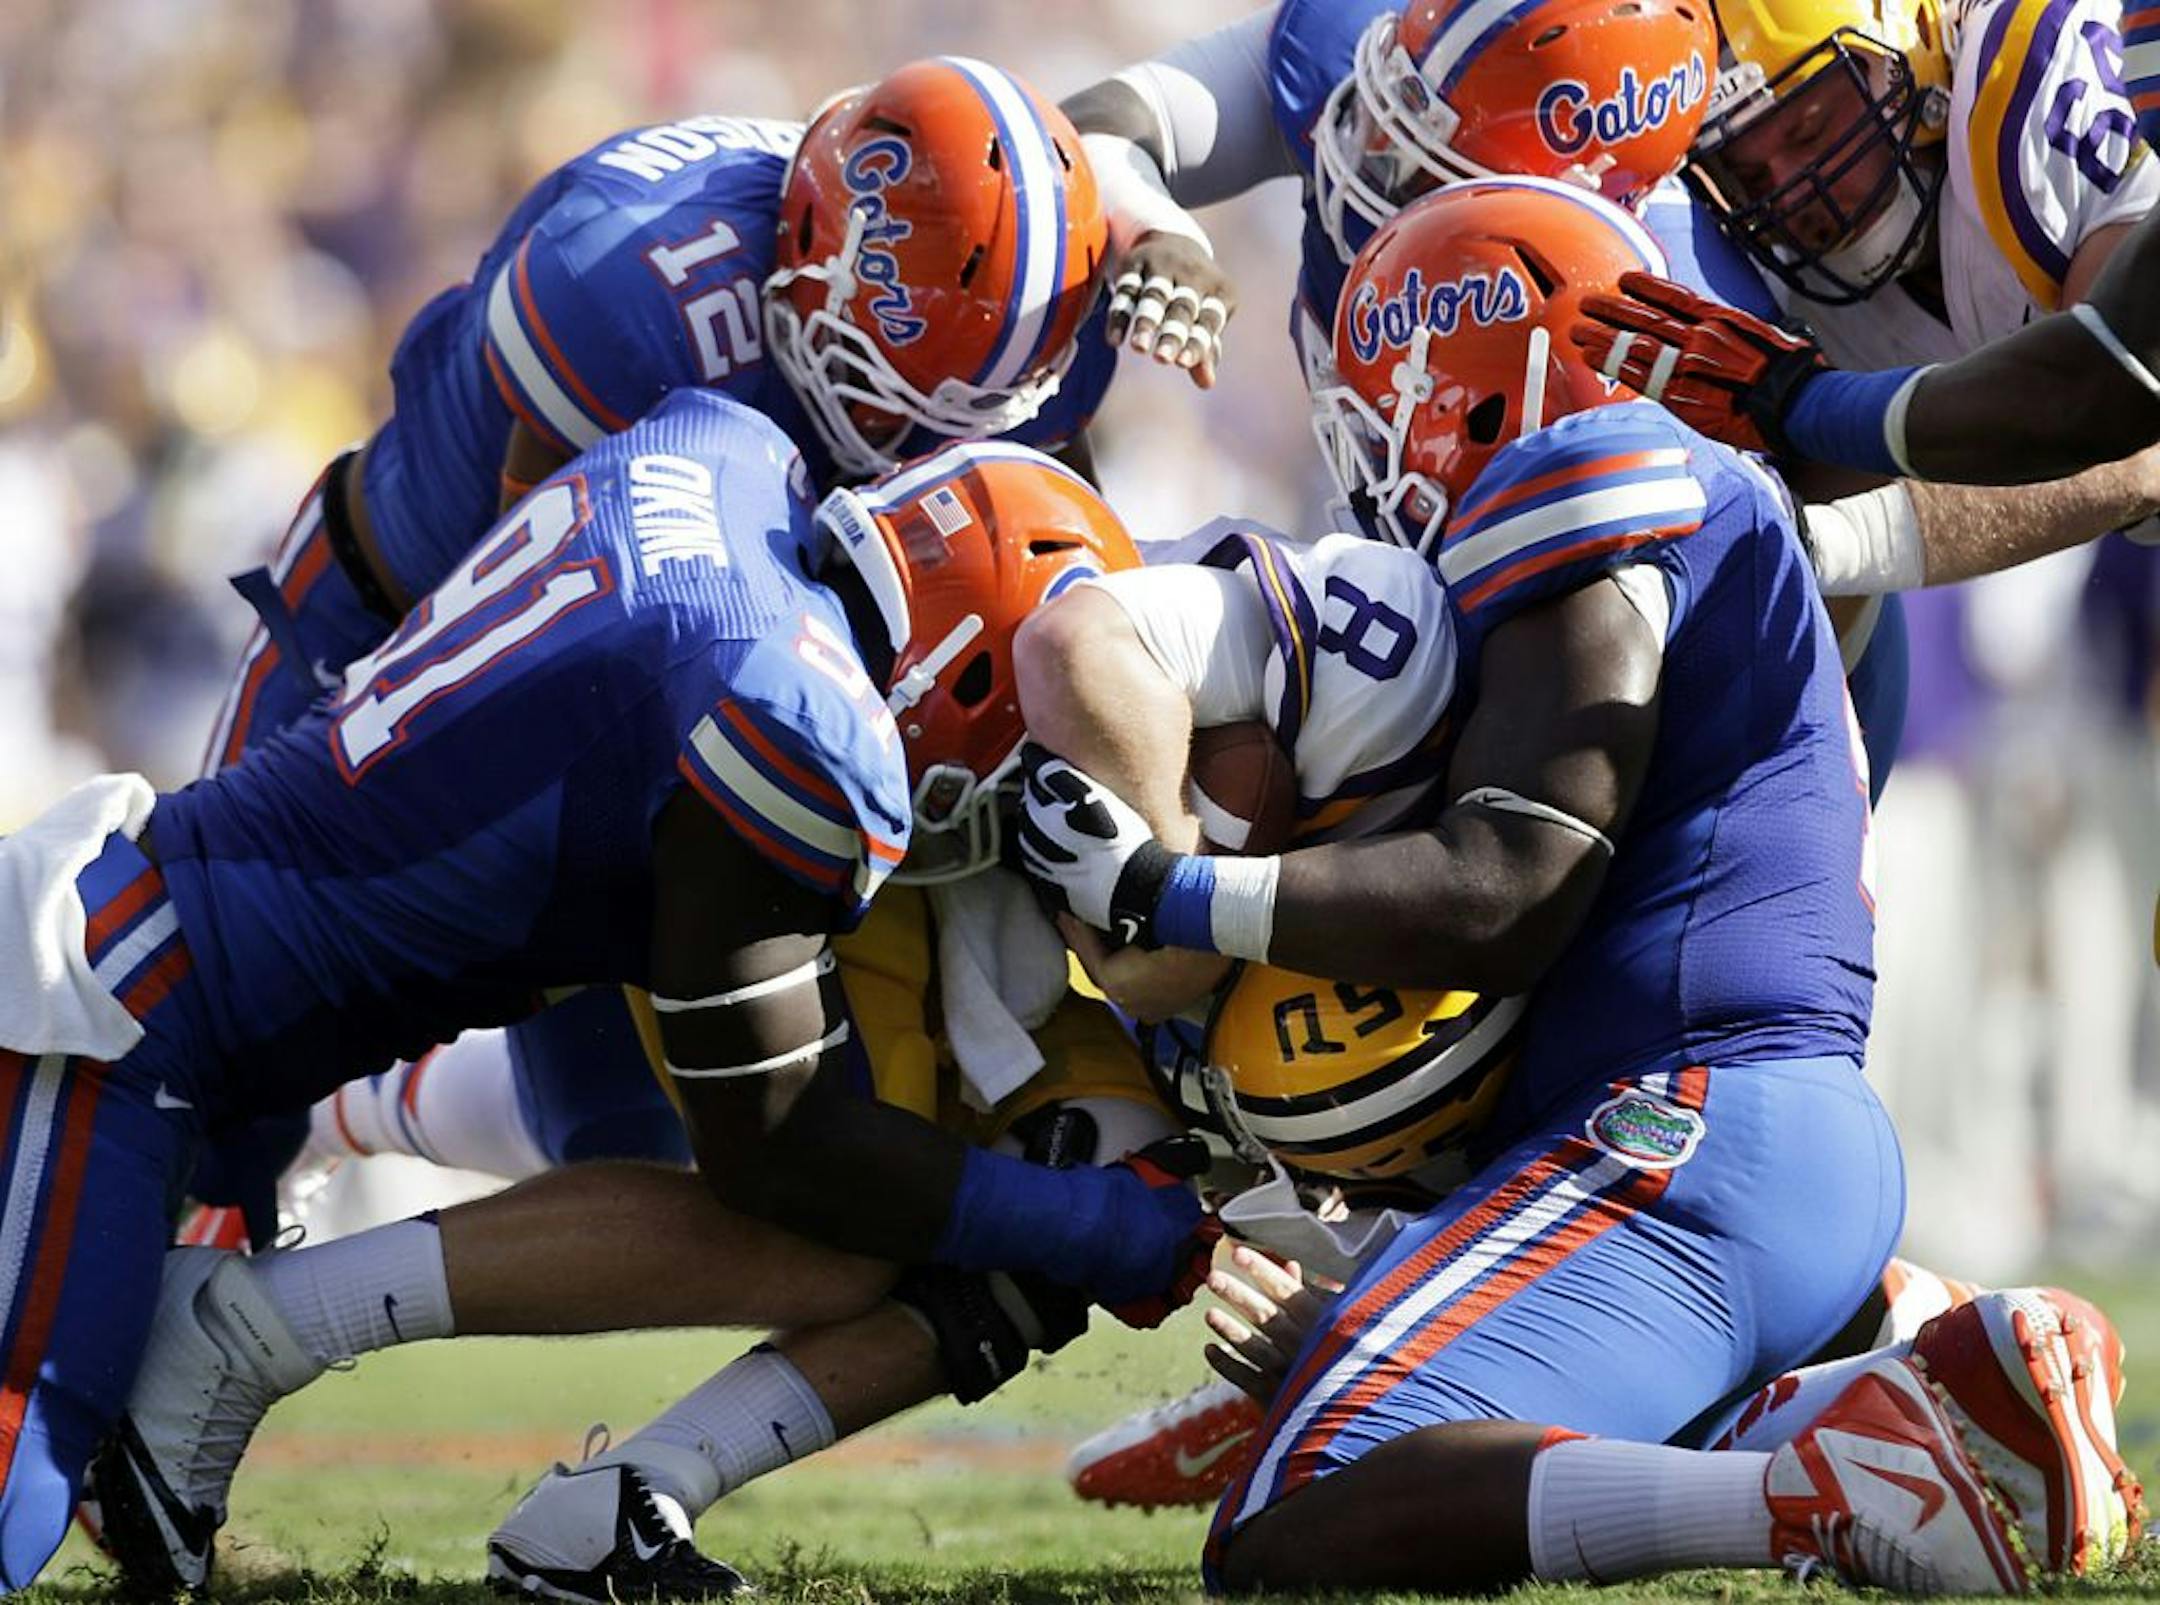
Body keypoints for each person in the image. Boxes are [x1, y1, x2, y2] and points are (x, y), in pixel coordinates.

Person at [1016, 177, 2137, 1593]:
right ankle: (1939, 1376)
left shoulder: (1589, 467)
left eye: (1395, 397)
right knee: (1385, 1433)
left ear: (1477, 382)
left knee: (1300, 1520)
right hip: (1765, 1144)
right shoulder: (1700, 500)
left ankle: (1815, 1488)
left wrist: (1170, 892)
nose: (1386, 447)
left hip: (1684, 1132)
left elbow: (1508, 886)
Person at [7, 406, 1208, 1595]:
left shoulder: (725, 450)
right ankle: (226, 1334)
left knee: (825, 1247)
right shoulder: (797, 729)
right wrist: (1102, 1230)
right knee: (10, 1514)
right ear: (968, 664)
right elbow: (786, 1152)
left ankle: (242, 1326)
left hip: (154, 968)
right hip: (102, 1022)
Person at [181, 56, 1116, 1246]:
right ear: (809, 269)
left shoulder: (1015, 327)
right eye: (891, 409)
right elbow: (517, 630)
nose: (920, 453)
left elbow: (1129, 166)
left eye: (965, 419)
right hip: (397, 639)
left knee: (620, 1136)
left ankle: (359, 1115)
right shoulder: (632, 289)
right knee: (210, 1064)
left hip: (653, 696)